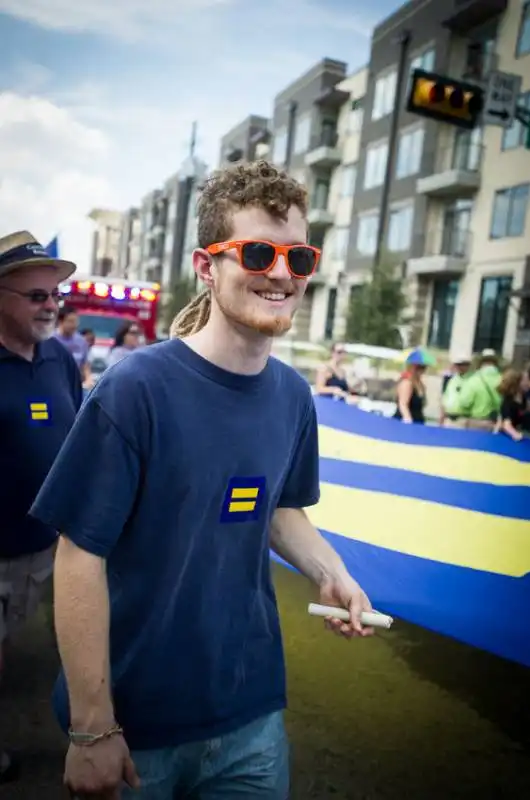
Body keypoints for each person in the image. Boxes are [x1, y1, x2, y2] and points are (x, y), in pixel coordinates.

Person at [30, 160, 374, 800]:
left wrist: (330, 571)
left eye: (297, 257)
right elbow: (79, 556)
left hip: (251, 713)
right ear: (206, 266)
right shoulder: (136, 388)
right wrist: (92, 728)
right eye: (258, 252)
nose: (280, 273)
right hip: (136, 724)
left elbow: (282, 510)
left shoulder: (295, 397)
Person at [0, 230, 82, 783]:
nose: (52, 305)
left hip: (52, 547)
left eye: (56, 296)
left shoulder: (59, 360)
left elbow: (77, 440)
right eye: (37, 296)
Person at [456, 348, 501, 431]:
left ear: (481, 362)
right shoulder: (502, 379)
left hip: (476, 422)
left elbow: (464, 403)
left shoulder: (474, 379)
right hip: (496, 422)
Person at [54, 306, 92, 388]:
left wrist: (88, 380)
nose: (74, 325)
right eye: (70, 321)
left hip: (74, 384)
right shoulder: (51, 339)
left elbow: (85, 364)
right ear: (60, 321)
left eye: (76, 321)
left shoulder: (81, 341)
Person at [494, 367, 530, 442]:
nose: (528, 383)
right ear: (517, 384)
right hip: (507, 437)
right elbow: (506, 425)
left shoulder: (523, 398)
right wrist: (516, 435)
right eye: (526, 381)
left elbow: (529, 407)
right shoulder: (509, 402)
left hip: (518, 429)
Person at [393, 349, 428, 423]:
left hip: (418, 420)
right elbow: (403, 405)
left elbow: (423, 403)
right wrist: (408, 421)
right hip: (406, 421)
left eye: (423, 367)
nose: (421, 370)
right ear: (411, 367)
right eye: (418, 367)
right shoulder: (407, 383)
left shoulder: (420, 384)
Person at [440, 355, 472, 427]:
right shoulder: (452, 380)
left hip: (463, 419)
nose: (459, 367)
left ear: (468, 365)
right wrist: (442, 417)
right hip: (449, 419)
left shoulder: (472, 380)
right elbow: (445, 398)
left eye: (462, 365)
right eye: (458, 365)